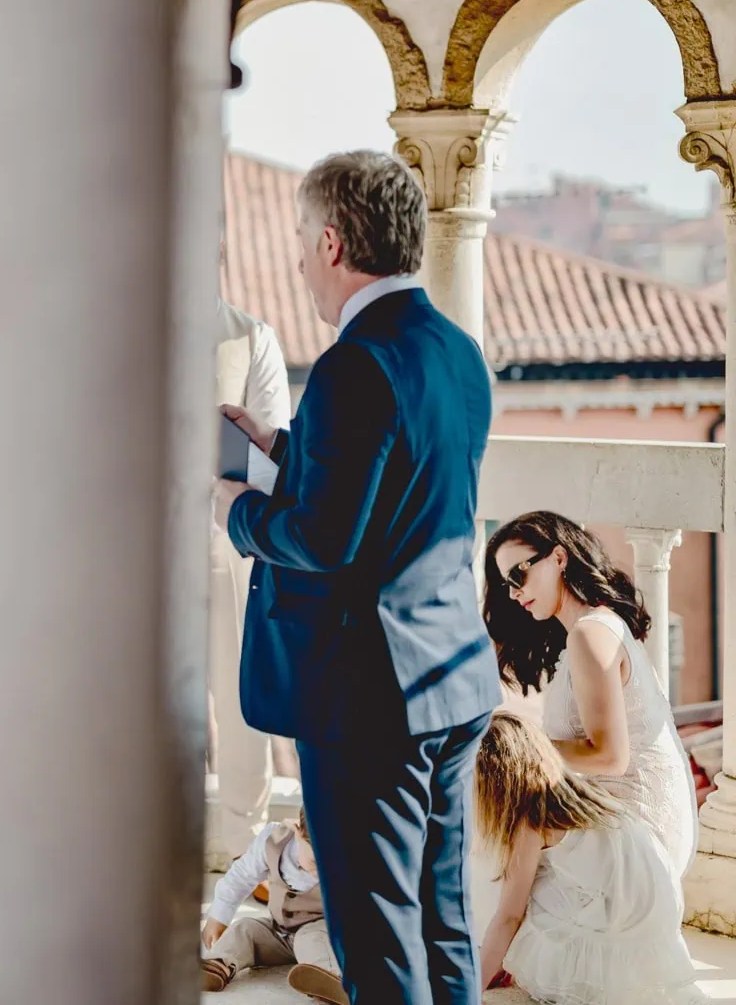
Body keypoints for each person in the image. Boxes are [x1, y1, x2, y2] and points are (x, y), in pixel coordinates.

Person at [214, 150, 503, 1004]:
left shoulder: (350, 364)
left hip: (368, 699)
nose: (301, 258)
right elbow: (402, 486)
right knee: (439, 921)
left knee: (375, 943)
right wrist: (280, 449)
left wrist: (230, 501)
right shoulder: (456, 351)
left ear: (334, 243)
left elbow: (323, 537)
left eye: (305, 239)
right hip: (450, 682)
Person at [484, 511, 697, 890]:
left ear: (559, 558)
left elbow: (611, 756)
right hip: (632, 830)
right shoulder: (593, 627)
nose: (514, 592)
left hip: (637, 841)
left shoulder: (590, 634)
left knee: (485, 857)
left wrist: (524, 750)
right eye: (507, 585)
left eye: (518, 575)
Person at [473, 712, 702, 1003]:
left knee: (519, 888)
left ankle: (513, 961)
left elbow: (509, 916)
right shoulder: (586, 795)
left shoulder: (532, 821)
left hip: (604, 958)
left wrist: (473, 984)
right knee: (542, 875)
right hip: (655, 937)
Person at [209, 297, 293, 865]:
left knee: (239, 693)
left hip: (224, 541)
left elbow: (275, 455)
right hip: (127, 547)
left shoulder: (251, 336)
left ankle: (244, 848)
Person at [200, 807, 346, 1002]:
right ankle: (216, 966)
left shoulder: (347, 858)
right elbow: (241, 877)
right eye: (314, 861)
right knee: (246, 928)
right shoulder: (273, 840)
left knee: (311, 939)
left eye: (328, 865)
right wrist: (218, 916)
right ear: (298, 832)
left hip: (320, 931)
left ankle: (331, 979)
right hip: (278, 932)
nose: (319, 873)